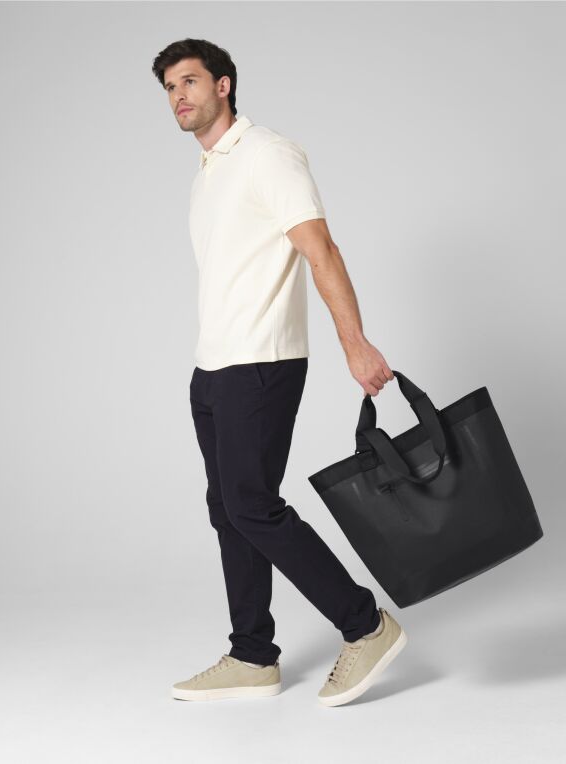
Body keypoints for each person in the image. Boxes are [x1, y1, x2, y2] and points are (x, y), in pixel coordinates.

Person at [152, 38, 407, 707]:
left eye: (190, 81)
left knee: (251, 506)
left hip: (262, 361)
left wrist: (355, 344)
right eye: (170, 88)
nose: (178, 96)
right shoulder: (207, 173)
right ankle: (252, 655)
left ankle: (365, 625)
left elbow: (321, 249)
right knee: (228, 511)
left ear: (224, 85)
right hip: (213, 367)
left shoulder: (268, 154)